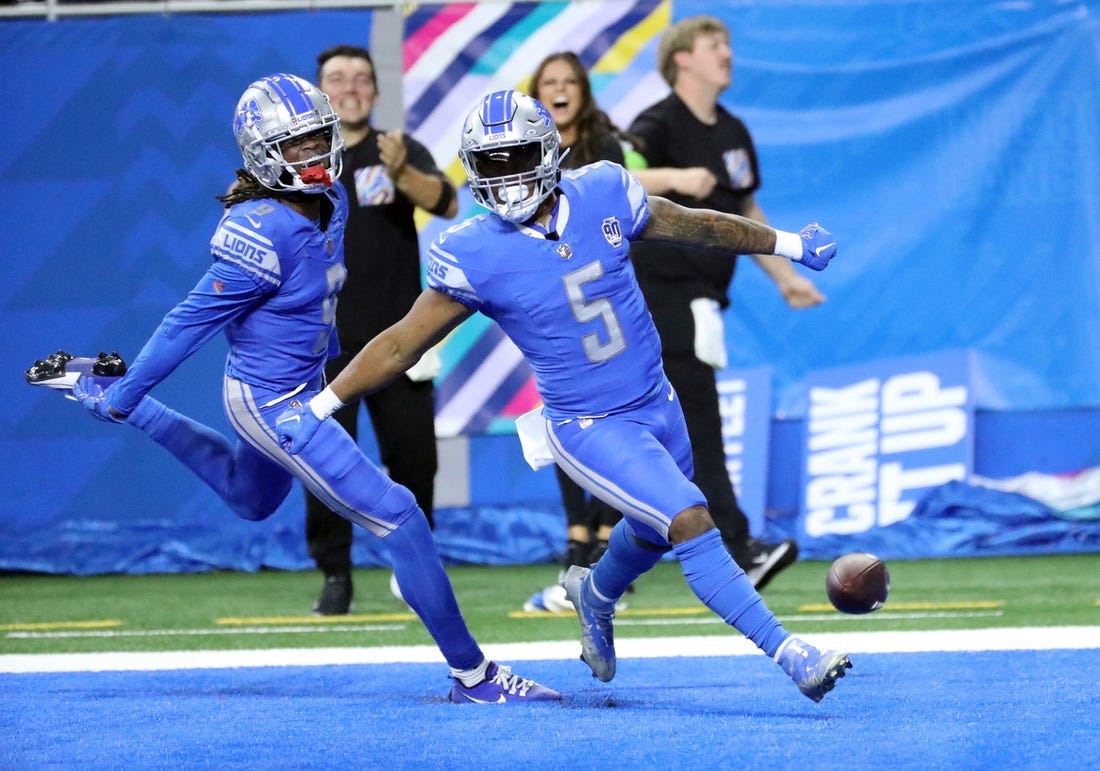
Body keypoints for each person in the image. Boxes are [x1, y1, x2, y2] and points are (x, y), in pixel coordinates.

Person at [276, 89, 852, 702]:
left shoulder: (603, 190)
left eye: (515, 156)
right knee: (688, 517)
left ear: (549, 151)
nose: (504, 175)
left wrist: (786, 243)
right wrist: (318, 406)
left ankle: (595, 593)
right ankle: (793, 654)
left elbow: (696, 225)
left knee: (653, 530)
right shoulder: (474, 250)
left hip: (657, 399)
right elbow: (398, 346)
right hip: (587, 423)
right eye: (490, 162)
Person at [68, 74, 559, 704]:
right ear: (262, 154)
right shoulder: (261, 231)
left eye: (317, 139)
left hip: (303, 383)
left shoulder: (333, 200)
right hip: (274, 403)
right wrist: (125, 394)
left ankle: (122, 399)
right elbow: (187, 323)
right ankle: (475, 676)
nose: (313, 155)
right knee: (402, 518)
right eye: (294, 147)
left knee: (250, 499)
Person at [627, 15, 826, 590]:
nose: (728, 54)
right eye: (715, 45)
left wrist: (783, 276)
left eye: (730, 44)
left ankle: (626, 546)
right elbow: (618, 178)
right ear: (682, 59)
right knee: (695, 420)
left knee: (675, 425)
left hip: (703, 300)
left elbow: (747, 214)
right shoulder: (656, 124)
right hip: (658, 294)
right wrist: (677, 177)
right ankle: (735, 545)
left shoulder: (733, 131)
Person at [306, 44, 458, 615]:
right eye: (337, 78)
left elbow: (445, 201)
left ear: (374, 90)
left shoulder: (397, 148)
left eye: (361, 79)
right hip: (323, 345)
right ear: (320, 90)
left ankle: (413, 563)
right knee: (323, 461)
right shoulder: (301, 156)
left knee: (416, 459)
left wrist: (400, 172)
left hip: (400, 340)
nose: (350, 88)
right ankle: (335, 575)